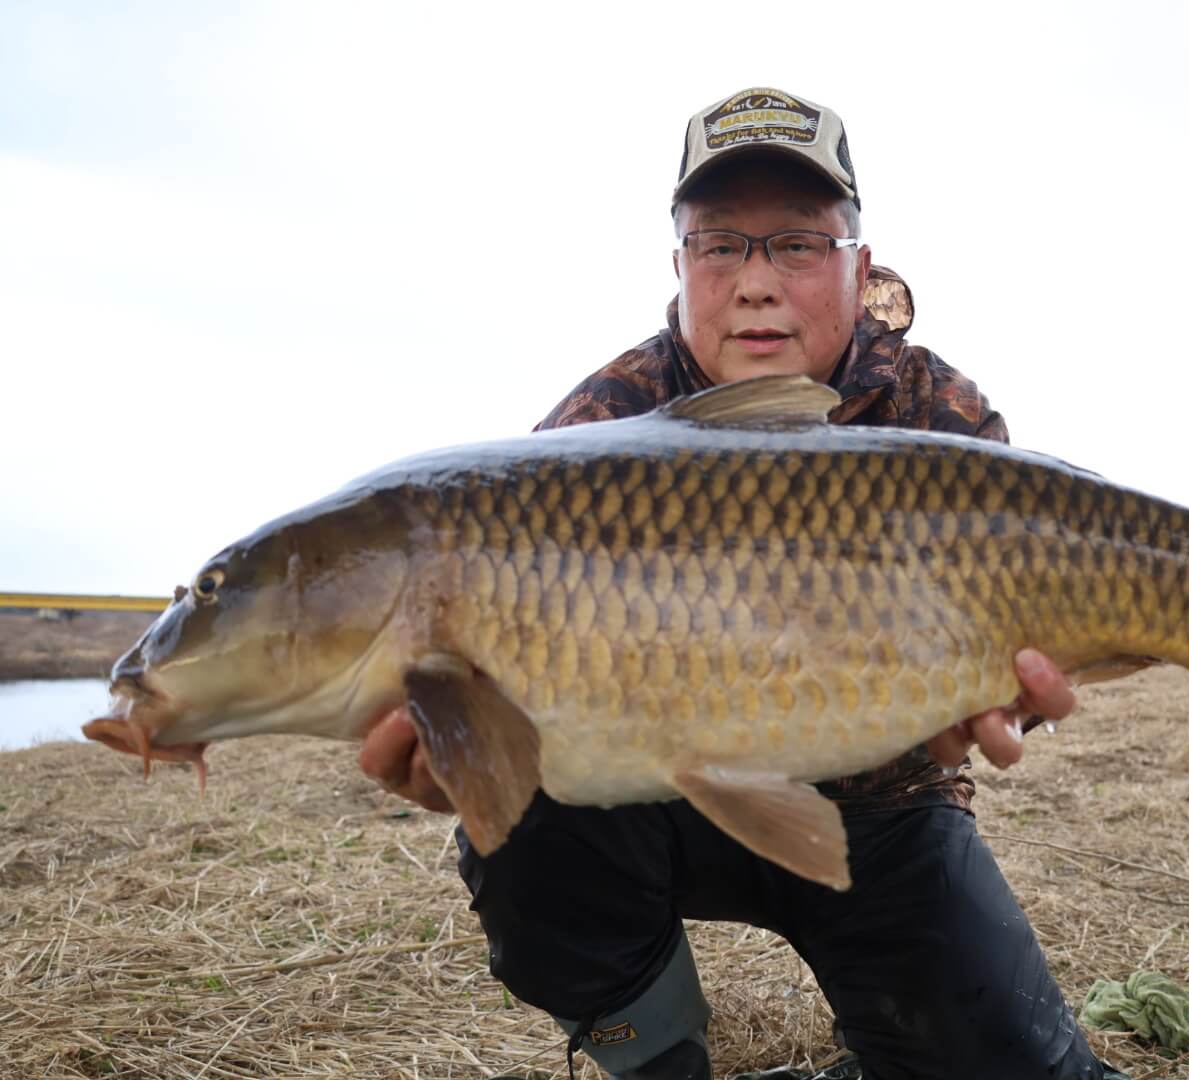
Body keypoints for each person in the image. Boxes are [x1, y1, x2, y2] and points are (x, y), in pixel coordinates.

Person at [359, 87, 1126, 1080]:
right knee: (528, 821)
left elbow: (1029, 670)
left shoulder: (941, 418)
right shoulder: (596, 432)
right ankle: (658, 1058)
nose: (756, 282)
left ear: (860, 260)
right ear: (680, 267)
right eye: (722, 246)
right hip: (653, 802)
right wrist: (475, 760)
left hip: (885, 801)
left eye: (798, 245)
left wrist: (1019, 703)